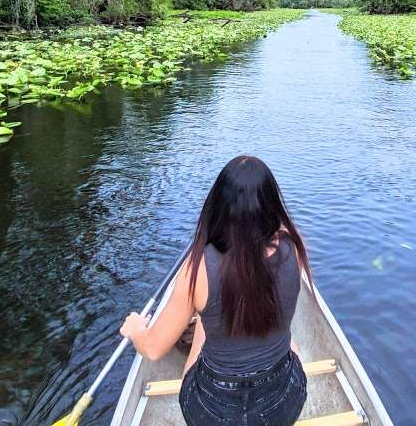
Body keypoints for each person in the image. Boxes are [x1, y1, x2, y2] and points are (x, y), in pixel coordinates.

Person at [119, 155, 312, 426]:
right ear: (271, 206)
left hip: (212, 413)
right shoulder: (295, 247)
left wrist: (135, 328)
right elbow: (267, 245)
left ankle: (203, 317)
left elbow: (152, 350)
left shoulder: (196, 269)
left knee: (204, 319)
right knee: (291, 344)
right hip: (282, 405)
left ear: (219, 205)